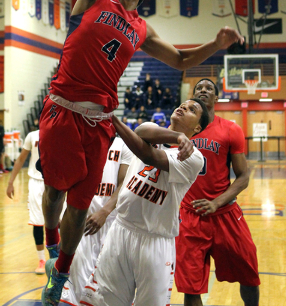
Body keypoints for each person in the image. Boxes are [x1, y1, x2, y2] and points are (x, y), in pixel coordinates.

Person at [39, 0, 243, 306]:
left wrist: (215, 46)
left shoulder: (141, 28)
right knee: (55, 191)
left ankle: (59, 276)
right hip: (61, 106)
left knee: (79, 202)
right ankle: (54, 246)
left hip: (97, 119)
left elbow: (182, 62)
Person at [83, 98, 208, 306]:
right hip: (120, 231)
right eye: (183, 104)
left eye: (192, 109)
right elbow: (141, 131)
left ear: (197, 127)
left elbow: (149, 156)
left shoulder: (194, 158)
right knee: (104, 302)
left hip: (155, 240)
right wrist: (178, 135)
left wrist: (111, 118)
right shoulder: (151, 130)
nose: (184, 107)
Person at [175, 78, 260, 306]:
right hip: (191, 216)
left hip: (225, 214)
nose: (203, 90)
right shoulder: (177, 132)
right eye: (198, 88)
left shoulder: (231, 129)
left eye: (208, 88)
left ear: (216, 98)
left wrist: (216, 202)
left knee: (250, 274)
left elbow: (243, 177)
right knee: (191, 288)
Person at [60, 136, 133, 306]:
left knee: (110, 289)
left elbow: (126, 182)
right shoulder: (79, 138)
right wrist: (64, 215)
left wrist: (105, 211)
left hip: (112, 222)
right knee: (76, 291)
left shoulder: (123, 144)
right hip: (80, 221)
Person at [6, 130, 46, 274]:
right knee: (37, 221)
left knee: (59, 222)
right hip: (35, 181)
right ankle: (42, 260)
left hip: (55, 182)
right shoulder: (32, 135)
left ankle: (59, 258)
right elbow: (21, 159)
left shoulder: (60, 132)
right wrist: (10, 182)